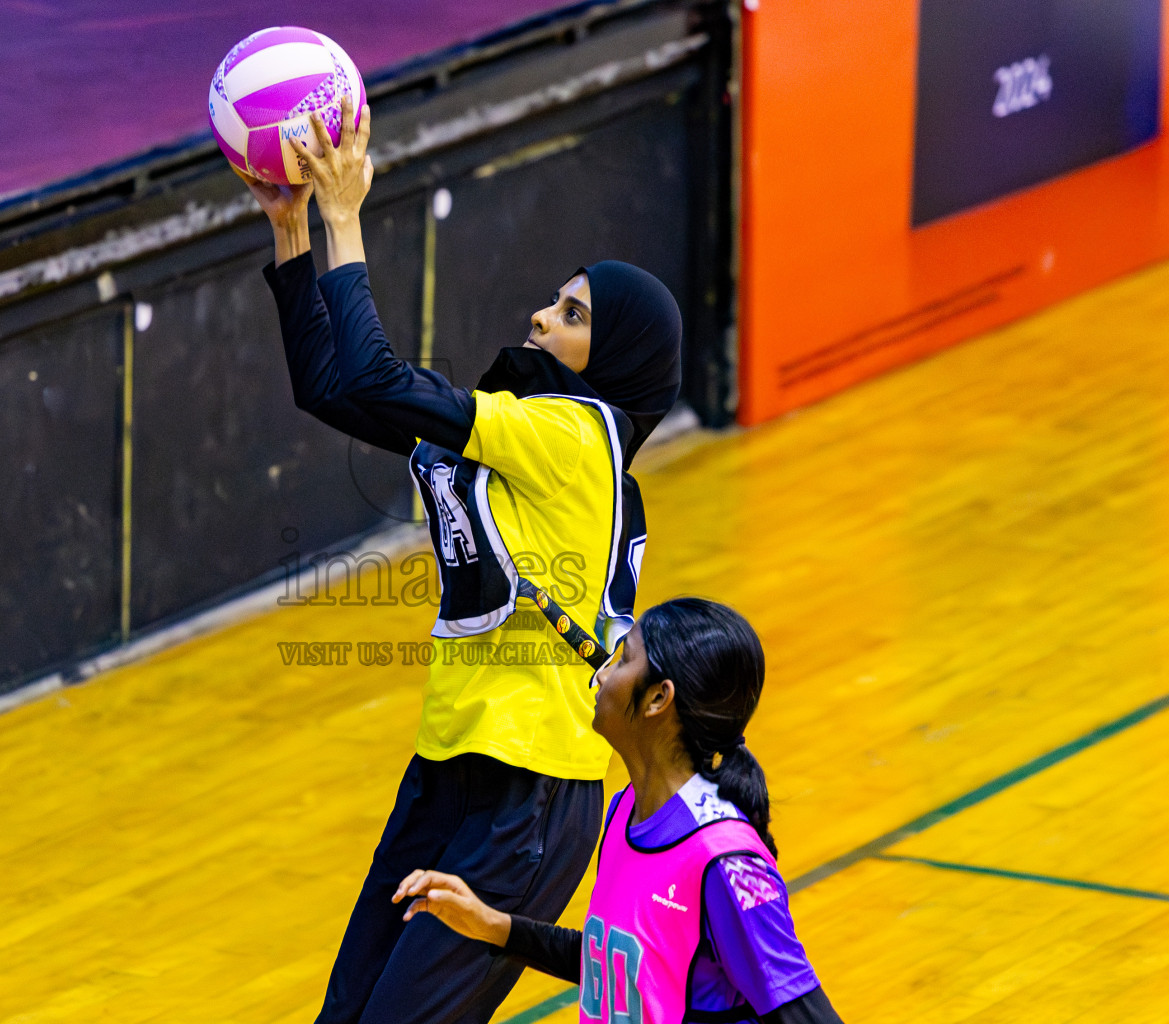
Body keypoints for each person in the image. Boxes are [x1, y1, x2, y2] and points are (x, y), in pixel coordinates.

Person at [235, 94, 683, 1024]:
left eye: (571, 313)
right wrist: (290, 233)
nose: (540, 316)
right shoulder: (519, 441)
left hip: (529, 798)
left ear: (617, 360)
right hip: (450, 771)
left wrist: (345, 217)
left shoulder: (574, 433)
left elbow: (373, 375)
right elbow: (330, 387)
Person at [392, 599, 845, 1024]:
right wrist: (492, 925)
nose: (603, 673)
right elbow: (621, 969)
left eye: (624, 659)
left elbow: (807, 1014)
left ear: (657, 699)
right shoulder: (625, 810)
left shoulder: (724, 863)